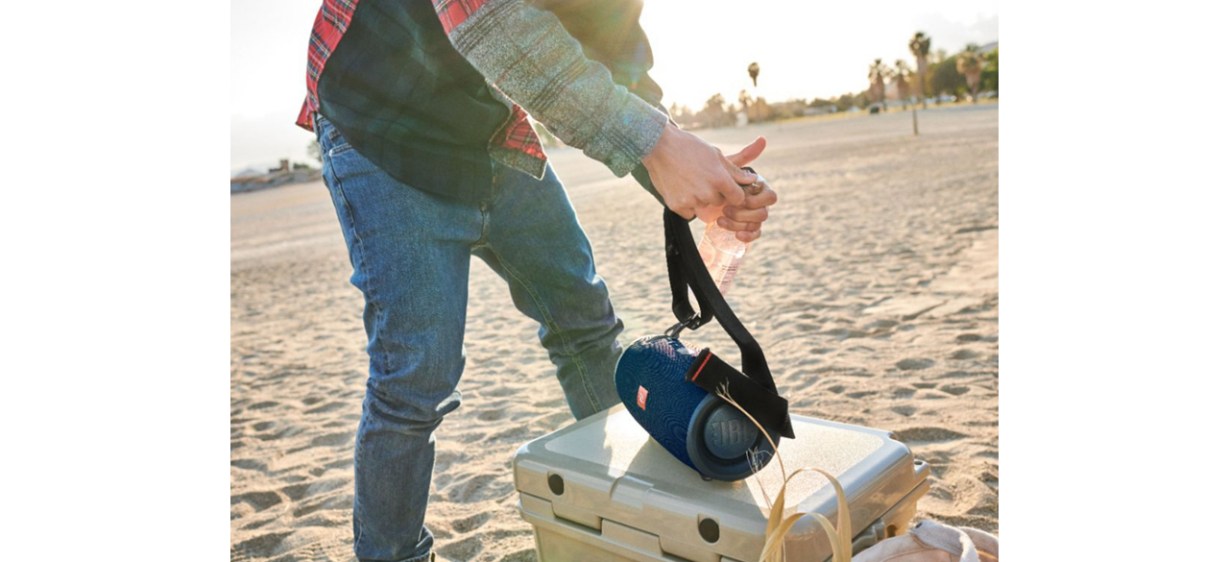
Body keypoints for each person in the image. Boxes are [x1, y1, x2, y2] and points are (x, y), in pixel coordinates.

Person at [295, 1, 778, 560]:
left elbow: (616, 52)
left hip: (489, 127)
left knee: (586, 325)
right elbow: (493, 24)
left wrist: (702, 184)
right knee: (415, 379)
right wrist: (657, 146)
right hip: (379, 123)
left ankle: (625, 506)